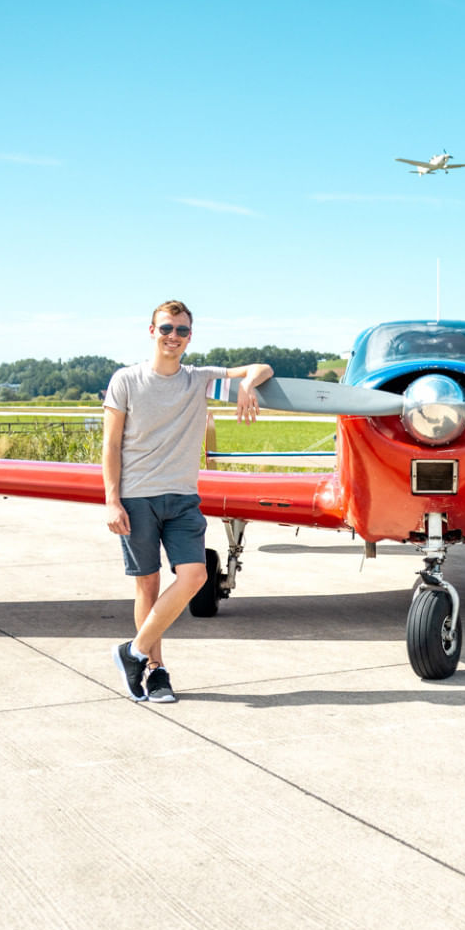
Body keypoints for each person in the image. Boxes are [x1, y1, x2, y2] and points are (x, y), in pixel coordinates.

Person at [101, 300, 271, 703]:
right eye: (166, 329)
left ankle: (133, 652)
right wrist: (112, 500)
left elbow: (262, 367)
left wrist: (247, 384)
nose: (173, 337)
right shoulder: (125, 380)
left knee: (194, 577)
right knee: (148, 585)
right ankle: (155, 673)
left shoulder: (198, 379)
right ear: (152, 331)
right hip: (136, 496)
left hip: (181, 499)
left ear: (189, 337)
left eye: (181, 331)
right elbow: (109, 444)